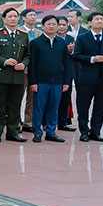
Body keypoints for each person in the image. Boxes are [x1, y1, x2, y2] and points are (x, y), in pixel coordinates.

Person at [0, 7, 29, 143]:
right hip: (1, 76)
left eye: (15, 16)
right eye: (10, 16)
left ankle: (13, 132)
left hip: (17, 77)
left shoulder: (23, 35)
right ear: (4, 19)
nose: (13, 19)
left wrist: (24, 64)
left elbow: (28, 55)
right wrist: (4, 61)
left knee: (15, 105)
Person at [28, 15, 73, 143]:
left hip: (58, 81)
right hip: (41, 82)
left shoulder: (62, 43)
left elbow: (67, 63)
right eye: (48, 24)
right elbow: (32, 64)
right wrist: (33, 81)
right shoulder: (36, 43)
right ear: (42, 26)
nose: (52, 26)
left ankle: (51, 132)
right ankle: (37, 132)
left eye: (54, 24)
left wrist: (66, 81)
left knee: (54, 108)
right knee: (38, 108)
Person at [72, 11, 103, 142]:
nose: (100, 21)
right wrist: (92, 59)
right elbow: (76, 55)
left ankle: (96, 132)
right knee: (83, 106)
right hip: (86, 77)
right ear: (90, 22)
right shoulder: (82, 37)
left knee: (100, 106)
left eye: (102, 19)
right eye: (97, 19)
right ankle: (84, 132)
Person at [19, 8, 42, 130]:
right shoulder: (18, 32)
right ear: (23, 18)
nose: (33, 17)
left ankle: (29, 122)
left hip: (36, 70)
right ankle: (17, 122)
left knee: (32, 98)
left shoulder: (39, 33)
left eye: (34, 15)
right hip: (21, 70)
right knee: (18, 97)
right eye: (30, 15)